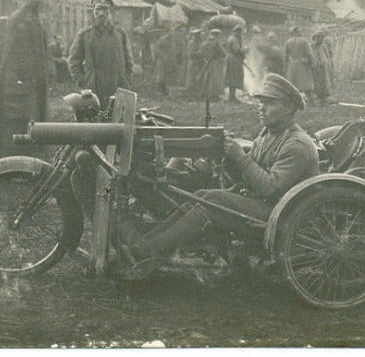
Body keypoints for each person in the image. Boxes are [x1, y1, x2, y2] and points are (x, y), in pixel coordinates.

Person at [115, 73, 319, 276]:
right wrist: (228, 159)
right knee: (202, 195)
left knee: (213, 200)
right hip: (265, 206)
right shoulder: (269, 134)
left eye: (270, 103)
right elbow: (248, 177)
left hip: (281, 217)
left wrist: (240, 158)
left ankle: (149, 253)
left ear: (289, 108)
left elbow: (270, 188)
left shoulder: (297, 145)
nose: (261, 108)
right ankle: (147, 243)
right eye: (261, 102)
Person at [0, 0, 51, 154]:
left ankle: (29, 150)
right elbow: (11, 56)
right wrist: (17, 83)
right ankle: (13, 156)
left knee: (33, 116)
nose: (41, 0)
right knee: (17, 118)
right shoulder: (17, 20)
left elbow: (42, 51)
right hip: (19, 80)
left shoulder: (38, 20)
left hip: (34, 79)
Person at [68, 0, 134, 109]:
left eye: (105, 10)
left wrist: (126, 80)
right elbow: (73, 61)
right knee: (95, 121)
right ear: (93, 11)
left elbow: (129, 60)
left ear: (110, 12)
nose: (101, 13)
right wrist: (83, 81)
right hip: (94, 87)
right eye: (98, 9)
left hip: (117, 85)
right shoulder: (84, 35)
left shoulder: (120, 34)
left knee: (117, 119)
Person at [284, 26, 316, 103]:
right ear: (298, 32)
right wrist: (313, 63)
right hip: (303, 64)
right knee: (306, 84)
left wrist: (285, 65)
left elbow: (285, 55)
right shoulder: (304, 41)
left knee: (293, 83)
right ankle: (311, 101)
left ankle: (294, 101)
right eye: (300, 31)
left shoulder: (288, 42)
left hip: (292, 64)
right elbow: (310, 53)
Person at [152, 23, 180, 96]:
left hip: (170, 60)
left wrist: (174, 54)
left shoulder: (173, 40)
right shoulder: (163, 39)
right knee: (161, 76)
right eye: (170, 31)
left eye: (173, 31)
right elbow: (156, 48)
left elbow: (175, 49)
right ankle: (160, 90)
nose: (172, 33)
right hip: (163, 60)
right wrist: (162, 55)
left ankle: (167, 91)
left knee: (169, 76)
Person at [198, 28, 226, 100]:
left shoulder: (205, 42)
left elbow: (201, 52)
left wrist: (205, 58)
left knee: (207, 78)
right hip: (215, 62)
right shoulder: (216, 43)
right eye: (219, 35)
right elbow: (223, 53)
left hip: (207, 61)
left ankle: (205, 94)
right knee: (215, 79)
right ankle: (214, 95)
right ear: (216, 35)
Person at [224, 24, 246, 102]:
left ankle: (232, 96)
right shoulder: (234, 39)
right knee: (234, 77)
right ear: (237, 32)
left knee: (231, 77)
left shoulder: (231, 38)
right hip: (234, 60)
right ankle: (232, 96)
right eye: (240, 32)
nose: (241, 34)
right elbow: (237, 50)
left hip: (231, 59)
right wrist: (245, 50)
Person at [311, 31, 333, 105]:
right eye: (318, 37)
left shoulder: (323, 46)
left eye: (321, 37)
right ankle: (318, 95)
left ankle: (325, 95)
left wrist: (328, 63)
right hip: (316, 66)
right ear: (316, 38)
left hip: (324, 66)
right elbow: (311, 56)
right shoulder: (312, 46)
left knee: (325, 80)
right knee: (317, 81)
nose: (320, 39)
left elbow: (327, 56)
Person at [183, 28, 204, 98]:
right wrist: (199, 53)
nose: (198, 37)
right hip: (193, 62)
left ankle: (197, 94)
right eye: (197, 35)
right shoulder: (191, 43)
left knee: (198, 77)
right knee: (191, 77)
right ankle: (190, 94)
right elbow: (190, 53)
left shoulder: (200, 43)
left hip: (199, 62)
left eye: (199, 35)